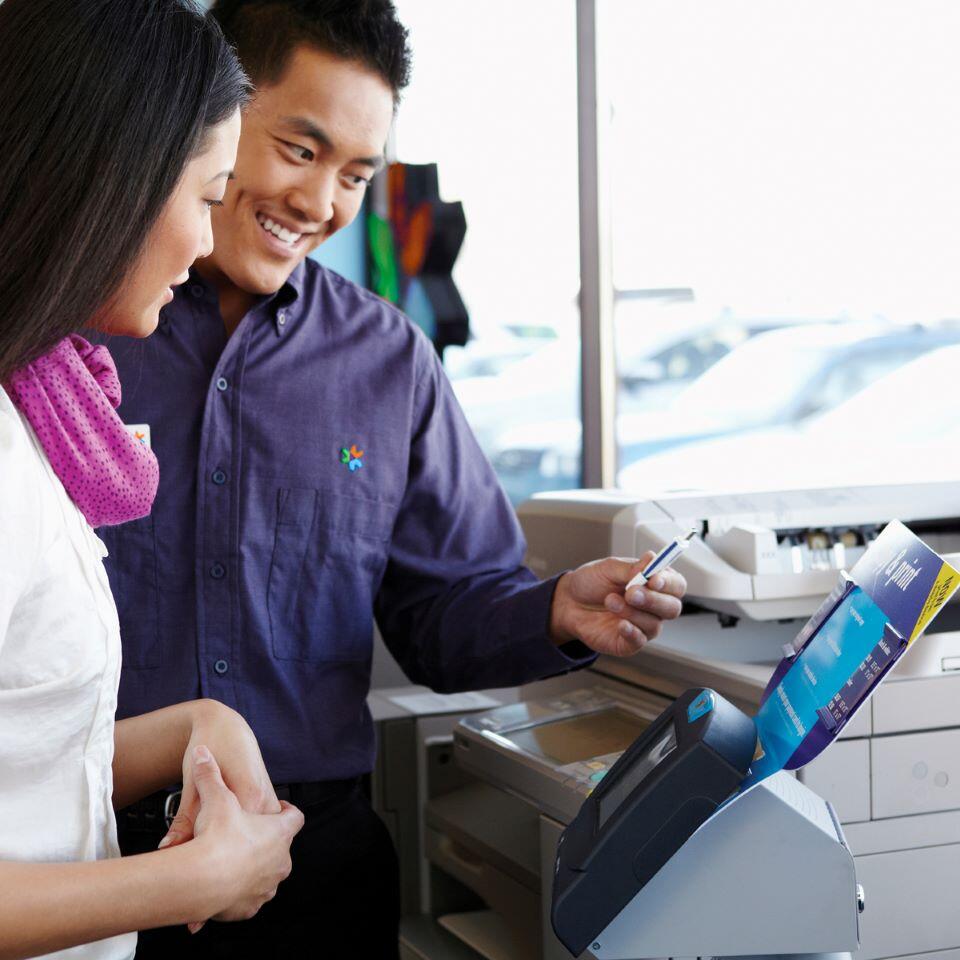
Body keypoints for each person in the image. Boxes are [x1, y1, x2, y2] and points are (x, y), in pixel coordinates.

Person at [97, 1, 688, 956]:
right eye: (300, 150)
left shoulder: (390, 362)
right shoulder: (77, 326)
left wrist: (553, 613)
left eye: (355, 176)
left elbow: (440, 618)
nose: (321, 202)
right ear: (210, 115)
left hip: (310, 872)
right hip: (89, 854)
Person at [0, 1, 305, 957]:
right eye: (207, 196)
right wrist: (199, 879)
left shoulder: (31, 403)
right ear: (113, 181)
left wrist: (199, 724)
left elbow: (27, 766)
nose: (208, 244)